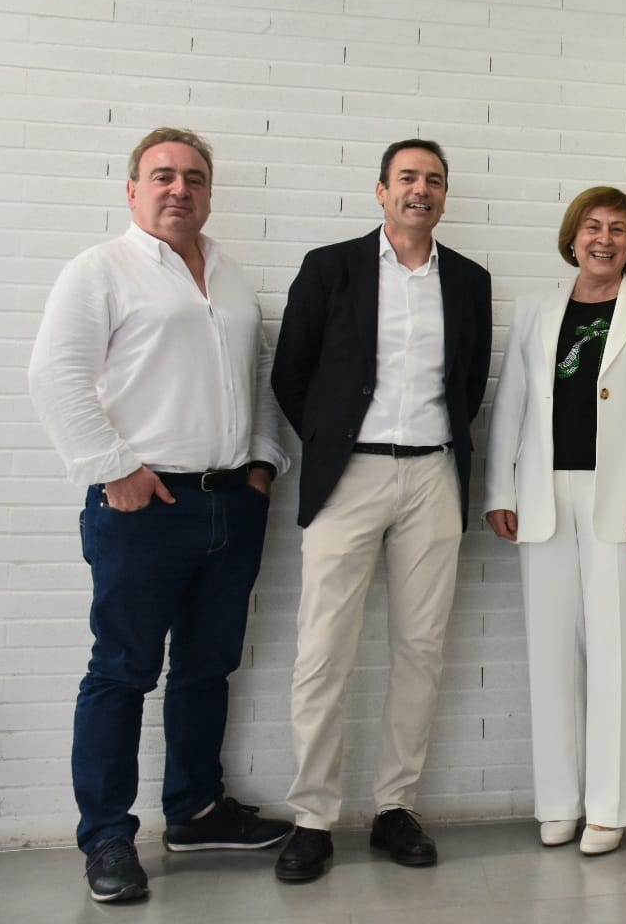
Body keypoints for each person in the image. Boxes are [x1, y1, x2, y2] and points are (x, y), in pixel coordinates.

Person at [28, 128, 293, 903]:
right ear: (133, 189)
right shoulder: (101, 270)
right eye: (163, 176)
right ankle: (108, 836)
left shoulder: (233, 279)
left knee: (209, 666)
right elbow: (54, 374)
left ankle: (196, 810)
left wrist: (262, 464)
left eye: (195, 178)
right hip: (145, 510)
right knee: (122, 670)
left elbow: (262, 378)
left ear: (209, 192)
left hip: (230, 505)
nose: (180, 189)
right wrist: (114, 469)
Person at [269, 139, 492, 882]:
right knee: (322, 649)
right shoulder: (329, 268)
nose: (420, 189)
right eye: (407, 178)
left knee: (420, 648)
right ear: (381, 190)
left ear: (445, 195)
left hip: (433, 476)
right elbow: (291, 373)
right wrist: (331, 441)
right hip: (348, 476)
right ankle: (313, 817)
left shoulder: (469, 280)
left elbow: (468, 386)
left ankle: (396, 806)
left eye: (434, 180)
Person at [483, 186, 626, 856]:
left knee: (619, 654)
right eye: (593, 227)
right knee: (551, 657)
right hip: (543, 498)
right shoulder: (535, 311)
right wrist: (500, 488)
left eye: (618, 230)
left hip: (623, 502)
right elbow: (512, 405)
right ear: (572, 238)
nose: (604, 239)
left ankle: (611, 807)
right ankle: (559, 803)